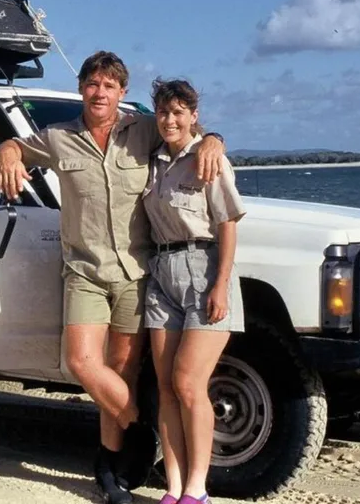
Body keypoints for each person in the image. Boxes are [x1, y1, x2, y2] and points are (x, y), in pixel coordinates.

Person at [0, 52, 226, 504]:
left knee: (121, 368)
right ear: (82, 87)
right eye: (92, 84)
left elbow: (186, 133)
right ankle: (138, 427)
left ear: (122, 92)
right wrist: (7, 149)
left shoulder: (142, 129)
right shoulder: (59, 137)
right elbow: (20, 148)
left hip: (137, 273)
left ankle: (112, 468)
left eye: (108, 85)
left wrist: (214, 138)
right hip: (83, 270)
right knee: (82, 363)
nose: (99, 93)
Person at [141, 78, 246, 504]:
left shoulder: (208, 159)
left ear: (194, 116)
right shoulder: (152, 161)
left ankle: (197, 489)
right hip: (161, 271)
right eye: (164, 112)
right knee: (166, 387)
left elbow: (227, 225)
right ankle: (173, 488)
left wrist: (220, 285)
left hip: (204, 272)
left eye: (179, 112)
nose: (170, 120)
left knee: (188, 382)